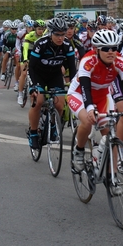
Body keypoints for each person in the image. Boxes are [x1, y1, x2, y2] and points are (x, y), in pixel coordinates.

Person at [69, 30, 123, 175]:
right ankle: (79, 151)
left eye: (114, 48)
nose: (111, 52)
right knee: (88, 122)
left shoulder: (119, 61)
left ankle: (110, 174)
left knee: (110, 135)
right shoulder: (88, 61)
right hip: (79, 94)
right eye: (106, 49)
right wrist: (89, 108)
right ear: (97, 50)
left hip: (102, 95)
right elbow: (85, 88)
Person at [27, 17, 77, 150]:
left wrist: (75, 86)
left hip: (54, 75)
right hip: (38, 75)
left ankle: (54, 124)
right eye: (57, 35)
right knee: (38, 101)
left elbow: (72, 68)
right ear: (50, 33)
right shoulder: (41, 44)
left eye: (63, 34)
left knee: (60, 105)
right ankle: (33, 133)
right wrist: (33, 86)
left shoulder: (67, 45)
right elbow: (31, 67)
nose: (60, 38)